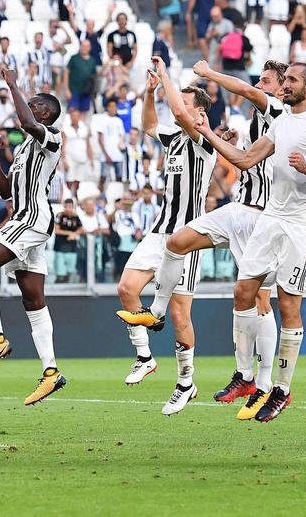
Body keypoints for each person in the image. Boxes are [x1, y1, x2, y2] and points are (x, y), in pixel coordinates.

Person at [129, 63, 306, 423]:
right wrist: (212, 137)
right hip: (259, 215)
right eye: (282, 79)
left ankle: (276, 387)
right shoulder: (279, 123)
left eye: (287, 80)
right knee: (241, 290)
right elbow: (246, 160)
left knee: (282, 305)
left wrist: (209, 74)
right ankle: (245, 376)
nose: (277, 86)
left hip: (296, 224)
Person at [112, 58, 214, 414]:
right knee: (126, 289)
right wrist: (149, 91)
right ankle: (145, 357)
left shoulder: (205, 140)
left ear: (199, 112)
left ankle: (186, 382)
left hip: (189, 237)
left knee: (179, 315)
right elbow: (149, 123)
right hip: (159, 232)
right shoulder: (173, 137)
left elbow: (180, 115)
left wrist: (167, 76)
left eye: (185, 104)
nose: (179, 110)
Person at [0, 64, 66, 405]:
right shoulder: (24, 149)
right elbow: (7, 190)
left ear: (45, 114)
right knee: (32, 299)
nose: (25, 106)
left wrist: (13, 85)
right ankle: (51, 372)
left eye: (33, 103)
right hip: (24, 216)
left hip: (32, 219)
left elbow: (26, 121)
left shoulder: (52, 138)